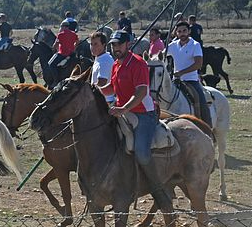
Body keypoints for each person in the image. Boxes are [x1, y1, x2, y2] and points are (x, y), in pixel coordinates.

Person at [106, 30, 172, 211]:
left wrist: (123, 109)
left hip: (144, 114)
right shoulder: (115, 65)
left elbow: (141, 91)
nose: (115, 48)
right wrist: (92, 89)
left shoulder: (138, 63)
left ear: (128, 44)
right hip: (123, 113)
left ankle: (157, 189)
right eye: (113, 45)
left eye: (118, 44)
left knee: (142, 153)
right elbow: (111, 87)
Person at [167, 21, 212, 127]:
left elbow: (198, 64)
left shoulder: (195, 45)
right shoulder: (173, 45)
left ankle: (206, 126)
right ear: (176, 33)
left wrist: (181, 72)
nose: (182, 33)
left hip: (191, 80)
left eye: (184, 31)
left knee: (199, 99)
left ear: (189, 31)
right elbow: (161, 54)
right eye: (179, 31)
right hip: (176, 80)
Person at [47, 20, 79, 88]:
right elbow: (77, 42)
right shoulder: (74, 33)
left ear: (64, 27)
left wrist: (53, 48)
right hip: (72, 54)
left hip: (62, 54)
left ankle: (56, 81)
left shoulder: (60, 34)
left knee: (51, 64)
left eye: (61, 27)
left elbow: (55, 45)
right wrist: (74, 48)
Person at [89, 31, 116, 106]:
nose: (92, 47)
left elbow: (101, 83)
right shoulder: (99, 58)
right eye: (91, 44)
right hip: (98, 99)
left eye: (96, 44)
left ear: (104, 45)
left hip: (104, 102)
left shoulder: (105, 61)